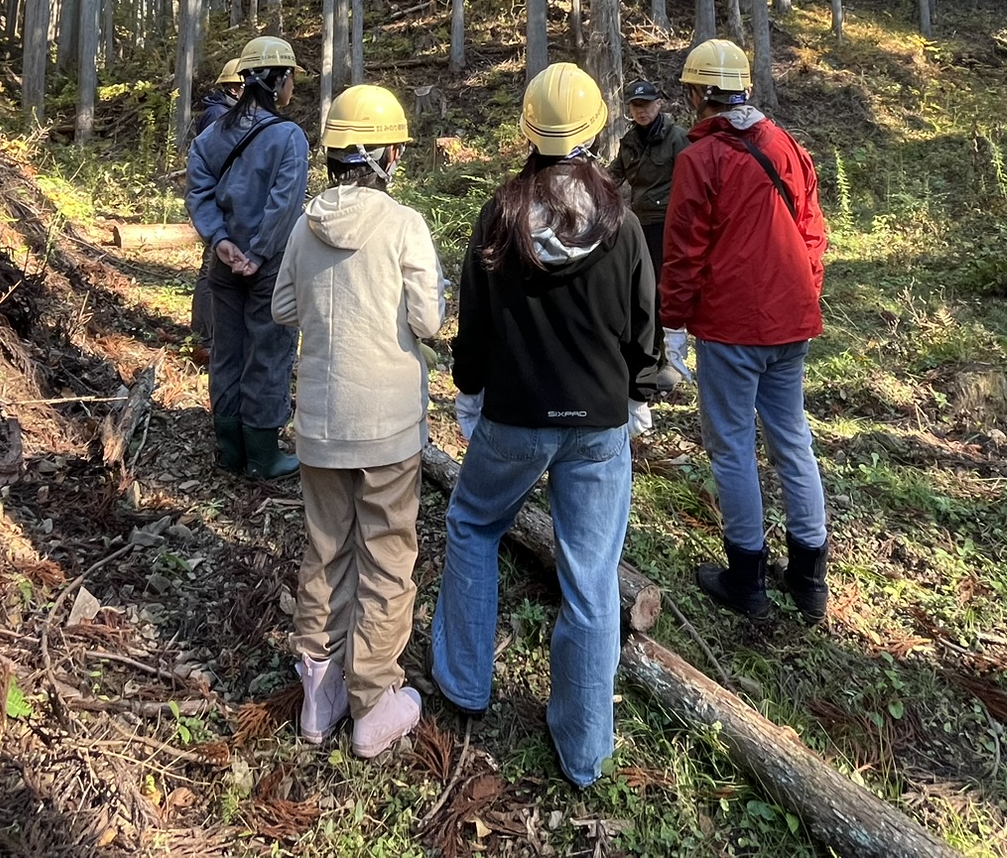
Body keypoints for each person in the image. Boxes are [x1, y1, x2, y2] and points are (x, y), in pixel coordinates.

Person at [431, 63, 662, 789]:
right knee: (591, 579)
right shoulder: (619, 219)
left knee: (472, 523)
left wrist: (468, 392)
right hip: (598, 421)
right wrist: (641, 390)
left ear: (529, 131)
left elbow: (476, 318)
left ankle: (465, 684)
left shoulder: (502, 213)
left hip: (516, 415)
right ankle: (585, 748)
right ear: (595, 130)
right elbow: (642, 321)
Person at [271, 85, 444, 758]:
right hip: (390, 425)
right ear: (385, 154)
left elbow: (286, 307)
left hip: (319, 418)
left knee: (326, 548)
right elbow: (430, 321)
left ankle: (317, 690)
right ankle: (373, 700)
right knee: (387, 556)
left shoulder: (304, 224)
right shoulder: (405, 225)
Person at [661, 38, 831, 623]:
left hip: (733, 326)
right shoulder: (784, 145)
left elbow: (684, 251)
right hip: (791, 321)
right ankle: (810, 580)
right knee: (792, 440)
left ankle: (748, 578)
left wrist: (672, 324)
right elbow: (812, 230)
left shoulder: (700, 159)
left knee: (732, 447)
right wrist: (803, 293)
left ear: (698, 94)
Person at [186, 35, 310, 480]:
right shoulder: (288, 136)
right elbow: (285, 202)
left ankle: (230, 449)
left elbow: (198, 193)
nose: (293, 85)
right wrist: (257, 253)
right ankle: (263, 455)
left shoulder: (212, 134)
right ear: (279, 81)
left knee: (227, 351)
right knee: (269, 352)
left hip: (224, 262)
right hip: (269, 266)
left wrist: (219, 241)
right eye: (291, 77)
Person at [608, 78, 693, 390]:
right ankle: (640, 354)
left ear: (659, 105)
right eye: (635, 106)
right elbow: (615, 173)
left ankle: (665, 360)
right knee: (637, 290)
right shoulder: (629, 141)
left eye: (646, 105)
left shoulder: (677, 138)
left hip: (667, 225)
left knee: (659, 292)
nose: (641, 111)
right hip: (638, 224)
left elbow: (692, 178)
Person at [189, 56, 248, 355]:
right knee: (210, 269)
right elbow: (219, 164)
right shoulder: (218, 117)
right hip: (219, 204)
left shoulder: (222, 112)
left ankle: (211, 335)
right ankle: (205, 339)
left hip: (219, 202)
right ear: (236, 88)